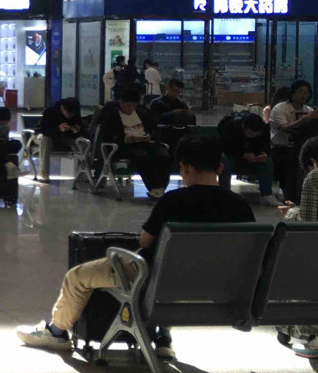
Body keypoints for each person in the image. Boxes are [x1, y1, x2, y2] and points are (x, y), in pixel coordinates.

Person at [17, 133, 255, 356]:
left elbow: (145, 240)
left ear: (184, 168)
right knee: (178, 269)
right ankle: (163, 336)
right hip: (213, 285)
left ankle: (57, 332)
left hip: (157, 279)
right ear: (220, 168)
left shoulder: (173, 201)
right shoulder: (240, 206)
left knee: (77, 277)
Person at [92, 81, 174, 197]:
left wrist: (149, 135)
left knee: (164, 156)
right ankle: (155, 187)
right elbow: (106, 135)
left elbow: (153, 129)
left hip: (145, 142)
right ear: (122, 103)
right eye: (128, 105)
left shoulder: (142, 113)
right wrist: (124, 139)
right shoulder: (113, 116)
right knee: (142, 157)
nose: (131, 108)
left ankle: (160, 187)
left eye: (134, 105)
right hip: (124, 146)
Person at [276, 137, 318, 357]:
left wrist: (292, 214)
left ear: (312, 161)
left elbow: (310, 227)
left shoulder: (314, 177)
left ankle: (311, 334)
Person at [217, 111, 279, 206]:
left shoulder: (264, 129)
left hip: (254, 157)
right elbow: (225, 148)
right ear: (243, 127)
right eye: (249, 133)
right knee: (225, 160)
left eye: (255, 134)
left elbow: (266, 146)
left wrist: (264, 154)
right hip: (234, 156)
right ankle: (225, 193)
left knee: (268, 162)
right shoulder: (232, 126)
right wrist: (242, 155)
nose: (252, 136)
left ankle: (266, 194)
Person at [271, 80, 318, 202]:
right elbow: (286, 129)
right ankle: (292, 196)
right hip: (281, 148)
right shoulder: (280, 108)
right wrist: (305, 119)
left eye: (307, 93)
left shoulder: (308, 110)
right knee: (292, 161)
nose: (304, 95)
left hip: (302, 147)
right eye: (300, 92)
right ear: (292, 93)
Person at [36, 97, 83, 182]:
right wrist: (58, 128)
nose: (70, 116)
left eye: (72, 115)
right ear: (63, 108)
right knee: (46, 140)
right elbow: (44, 130)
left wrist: (76, 129)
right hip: (45, 136)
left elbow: (80, 128)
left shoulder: (75, 114)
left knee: (80, 143)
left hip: (63, 137)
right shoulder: (50, 111)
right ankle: (44, 173)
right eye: (68, 114)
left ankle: (81, 172)